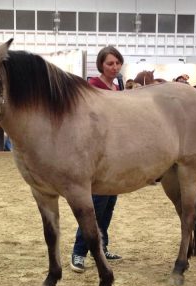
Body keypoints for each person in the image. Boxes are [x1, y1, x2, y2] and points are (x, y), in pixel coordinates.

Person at [70, 45, 124, 273]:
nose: (114, 67)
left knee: (109, 204)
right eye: (110, 63)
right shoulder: (93, 86)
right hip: (97, 154)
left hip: (116, 153)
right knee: (94, 206)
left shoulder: (118, 86)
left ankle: (101, 247)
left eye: (117, 63)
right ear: (101, 65)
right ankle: (79, 252)